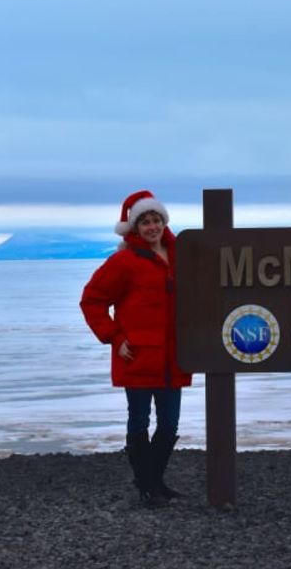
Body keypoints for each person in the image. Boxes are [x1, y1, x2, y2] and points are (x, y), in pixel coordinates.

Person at [81, 190, 192, 507]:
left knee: (170, 424)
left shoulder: (181, 257)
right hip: (137, 355)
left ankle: (153, 481)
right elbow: (92, 301)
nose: (152, 227)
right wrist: (115, 337)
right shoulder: (123, 262)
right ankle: (147, 485)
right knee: (140, 420)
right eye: (145, 222)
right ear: (134, 227)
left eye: (157, 220)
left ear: (164, 222)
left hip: (174, 357)